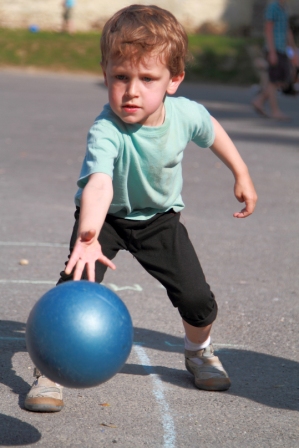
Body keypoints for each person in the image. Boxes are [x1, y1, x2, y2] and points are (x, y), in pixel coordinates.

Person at [24, 5, 257, 412]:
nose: (132, 90)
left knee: (199, 301)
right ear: (105, 76)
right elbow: (99, 184)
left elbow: (212, 130)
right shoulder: (106, 129)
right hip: (104, 222)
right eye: (121, 77)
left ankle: (198, 351)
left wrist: (241, 172)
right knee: (73, 292)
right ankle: (51, 368)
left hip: (158, 221)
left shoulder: (185, 114)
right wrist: (89, 236)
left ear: (174, 80)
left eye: (147, 79)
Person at [252, 0, 299, 120]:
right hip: (274, 49)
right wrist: (272, 52)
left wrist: (293, 50)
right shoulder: (273, 7)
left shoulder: (284, 8)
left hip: (282, 49)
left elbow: (287, 30)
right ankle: (275, 111)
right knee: (274, 81)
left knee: (283, 79)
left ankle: (259, 101)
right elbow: (268, 29)